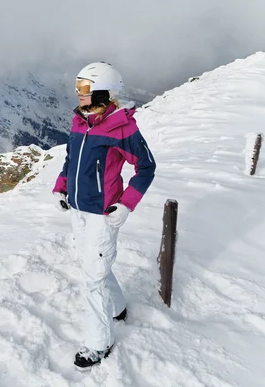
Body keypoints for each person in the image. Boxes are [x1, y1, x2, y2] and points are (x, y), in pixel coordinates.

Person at [52, 62, 156, 368]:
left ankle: (99, 343)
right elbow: (71, 159)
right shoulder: (79, 121)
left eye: (83, 88)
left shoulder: (122, 127)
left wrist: (125, 205)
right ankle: (119, 308)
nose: (77, 93)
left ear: (101, 91)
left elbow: (146, 168)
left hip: (103, 213)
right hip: (78, 209)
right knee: (92, 264)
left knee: (92, 280)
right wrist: (62, 188)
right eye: (77, 86)